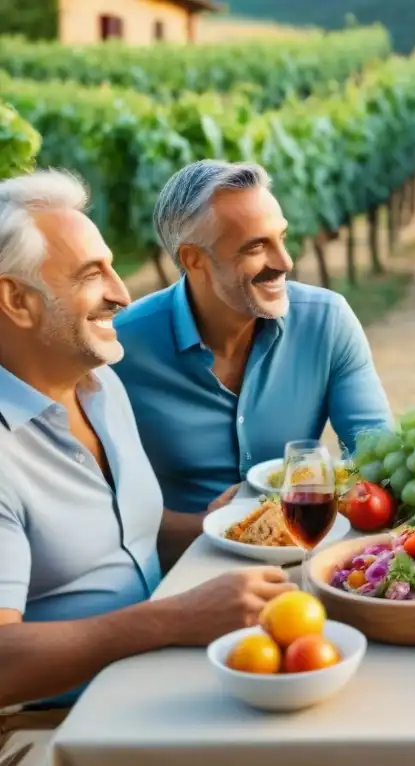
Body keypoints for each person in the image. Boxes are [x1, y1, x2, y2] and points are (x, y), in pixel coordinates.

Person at [0, 170, 295, 762]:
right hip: (56, 727)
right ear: (16, 301)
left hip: (159, 686)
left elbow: (117, 537)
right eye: (91, 275)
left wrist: (232, 527)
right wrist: (170, 619)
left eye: (111, 267)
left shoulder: (100, 387)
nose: (122, 294)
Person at [112, 160, 393, 513]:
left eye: (282, 238)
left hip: (304, 542)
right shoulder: (122, 347)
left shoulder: (327, 321)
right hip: (185, 561)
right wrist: (201, 529)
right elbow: (102, 501)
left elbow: (377, 458)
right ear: (194, 259)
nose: (285, 262)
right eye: (256, 247)